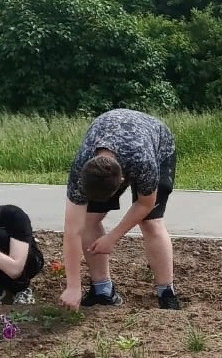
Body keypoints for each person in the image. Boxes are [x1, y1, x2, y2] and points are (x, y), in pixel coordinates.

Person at [61, 108, 181, 311]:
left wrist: (113, 237)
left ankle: (166, 292)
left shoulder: (143, 161)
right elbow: (72, 229)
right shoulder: (81, 167)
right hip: (112, 134)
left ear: (122, 182)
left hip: (157, 144)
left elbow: (145, 203)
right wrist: (73, 286)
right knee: (89, 220)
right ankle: (103, 291)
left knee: (150, 222)